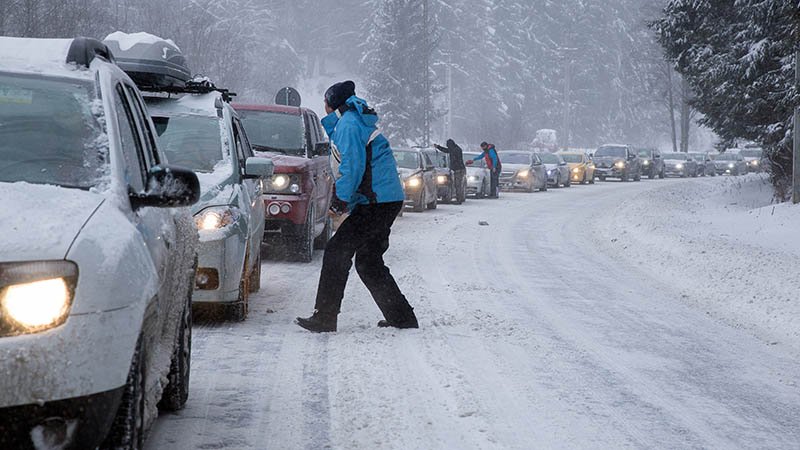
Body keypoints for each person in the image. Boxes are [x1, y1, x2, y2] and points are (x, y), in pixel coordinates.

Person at [296, 81, 418, 333]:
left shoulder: (349, 124)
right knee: (368, 261)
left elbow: (353, 167)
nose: (325, 108)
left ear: (333, 104)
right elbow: (356, 169)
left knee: (336, 252)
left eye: (326, 102)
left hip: (377, 202)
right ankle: (402, 317)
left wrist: (340, 201)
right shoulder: (352, 121)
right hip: (382, 200)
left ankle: (325, 317)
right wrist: (346, 200)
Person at [434, 139, 467, 204]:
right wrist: (438, 147)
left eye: (448, 145)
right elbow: (446, 150)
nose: (448, 147)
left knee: (458, 185)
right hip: (458, 169)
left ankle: (459, 199)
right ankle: (458, 198)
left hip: (459, 169)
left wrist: (453, 166)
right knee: (457, 185)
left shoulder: (456, 150)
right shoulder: (454, 149)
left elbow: (451, 154)